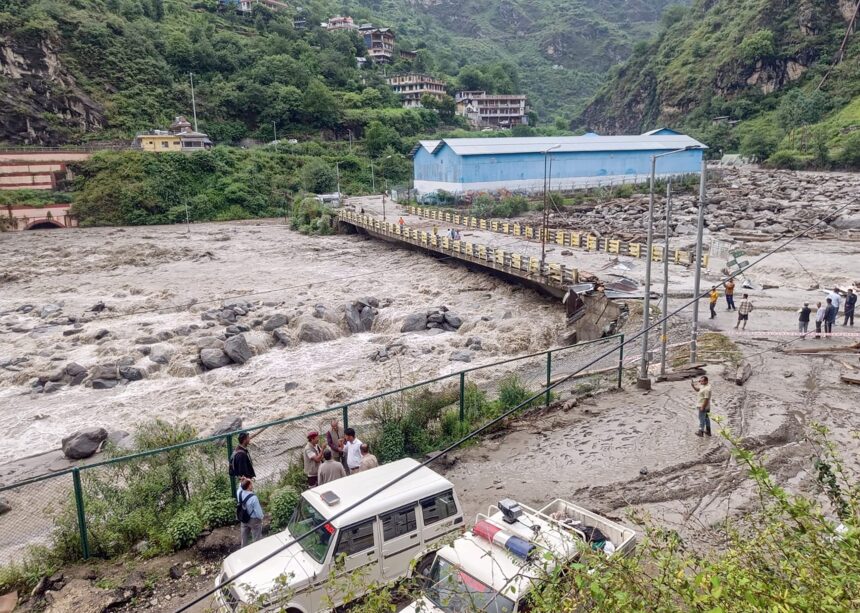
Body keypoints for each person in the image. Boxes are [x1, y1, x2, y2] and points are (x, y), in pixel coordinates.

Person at [237, 477, 263, 548]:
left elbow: (240, 487)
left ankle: (243, 550)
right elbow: (258, 513)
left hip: (243, 518)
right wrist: (261, 518)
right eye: (251, 484)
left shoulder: (239, 492)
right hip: (253, 520)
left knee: (244, 538)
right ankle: (257, 550)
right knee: (257, 538)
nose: (253, 485)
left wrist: (243, 481)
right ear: (249, 486)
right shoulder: (253, 497)